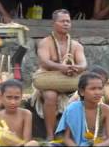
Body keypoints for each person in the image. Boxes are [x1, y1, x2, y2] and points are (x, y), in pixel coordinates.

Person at [32, 9, 87, 140]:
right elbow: (44, 62)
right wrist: (60, 67)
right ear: (54, 23)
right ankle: (51, 135)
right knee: (50, 95)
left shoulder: (76, 45)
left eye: (68, 21)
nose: (66, 24)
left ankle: (73, 134)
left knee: (84, 94)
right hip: (49, 80)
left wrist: (76, 68)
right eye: (62, 21)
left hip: (70, 81)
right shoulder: (45, 43)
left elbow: (83, 64)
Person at [55, 72, 109, 146]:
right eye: (93, 89)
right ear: (82, 92)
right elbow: (66, 138)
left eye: (100, 88)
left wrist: (98, 146)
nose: (97, 92)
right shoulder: (72, 109)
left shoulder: (107, 110)